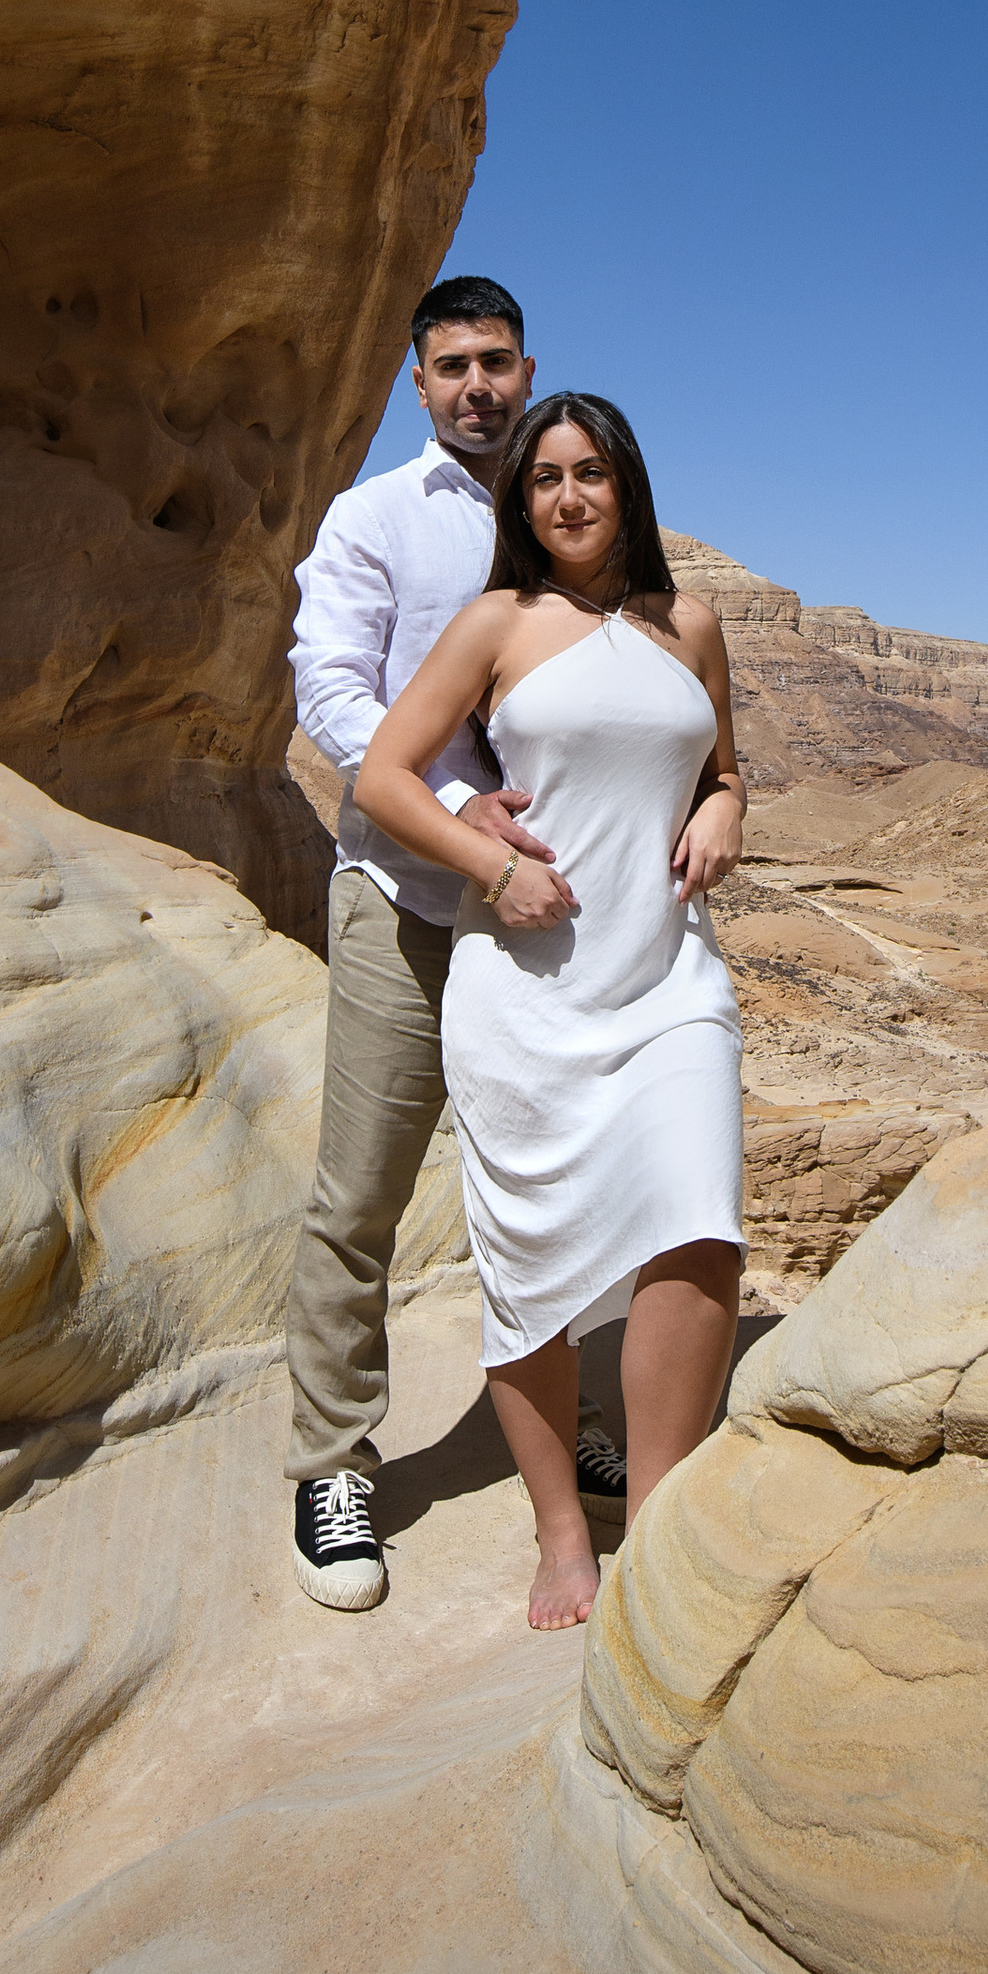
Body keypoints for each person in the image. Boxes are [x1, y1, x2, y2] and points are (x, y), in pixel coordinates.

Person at [355, 392, 747, 1631]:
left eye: (590, 473)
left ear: (627, 483)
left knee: (697, 1223)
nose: (569, 498)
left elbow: (722, 766)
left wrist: (728, 805)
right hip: (526, 991)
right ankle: (564, 1533)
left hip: (669, 976)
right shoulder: (496, 623)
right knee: (529, 1266)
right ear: (520, 501)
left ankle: (662, 1515)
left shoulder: (690, 623)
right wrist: (491, 867)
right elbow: (381, 776)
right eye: (543, 478)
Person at [285, 275, 612, 1613]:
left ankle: (572, 1419)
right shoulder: (375, 519)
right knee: (360, 1194)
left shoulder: (566, 512)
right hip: (408, 895)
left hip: (549, 909)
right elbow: (328, 688)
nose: (478, 385)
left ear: (527, 369)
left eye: (497, 361)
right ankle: (333, 1461)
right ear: (417, 382)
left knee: (555, 1179)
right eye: (453, 365)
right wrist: (449, 803)